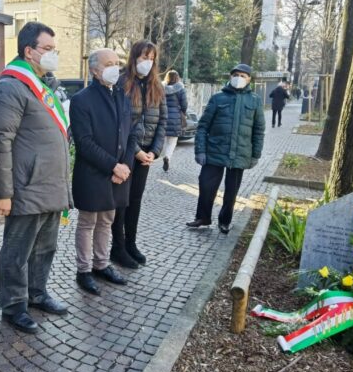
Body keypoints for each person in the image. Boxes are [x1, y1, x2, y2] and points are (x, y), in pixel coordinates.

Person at [0, 22, 71, 334]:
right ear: (29, 51)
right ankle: (14, 305)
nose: (53, 55)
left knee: (45, 248)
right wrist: (4, 192)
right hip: (26, 187)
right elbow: (0, 141)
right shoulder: (12, 87)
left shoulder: (44, 86)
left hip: (51, 185)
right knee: (17, 252)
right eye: (48, 49)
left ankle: (37, 293)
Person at [70, 48, 138, 295]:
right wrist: (113, 165)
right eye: (109, 63)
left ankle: (101, 264)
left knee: (107, 221)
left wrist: (125, 166)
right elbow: (85, 142)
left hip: (118, 173)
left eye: (117, 62)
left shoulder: (122, 96)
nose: (115, 67)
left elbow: (132, 135)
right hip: (93, 172)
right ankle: (84, 270)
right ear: (95, 70)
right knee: (88, 222)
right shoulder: (82, 100)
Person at [186, 63, 265, 233]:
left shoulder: (255, 101)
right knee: (206, 186)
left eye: (243, 76)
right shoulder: (218, 98)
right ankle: (203, 217)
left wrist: (255, 155)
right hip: (214, 151)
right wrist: (200, 150)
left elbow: (259, 130)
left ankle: (225, 221)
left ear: (249, 79)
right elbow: (203, 126)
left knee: (231, 191)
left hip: (240, 153)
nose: (239, 78)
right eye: (236, 74)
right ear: (230, 77)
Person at [110, 40, 167, 269]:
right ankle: (118, 247)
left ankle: (131, 244)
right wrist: (136, 152)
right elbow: (120, 123)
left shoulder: (157, 86)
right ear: (134, 58)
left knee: (135, 201)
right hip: (126, 153)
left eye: (151, 58)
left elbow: (163, 121)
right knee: (121, 202)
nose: (147, 62)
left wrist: (154, 151)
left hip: (146, 155)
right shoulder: (122, 83)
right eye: (144, 57)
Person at [162, 69, 188, 172]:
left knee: (162, 138)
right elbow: (184, 104)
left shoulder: (161, 87)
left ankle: (162, 155)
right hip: (175, 117)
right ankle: (167, 157)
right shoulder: (180, 88)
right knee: (172, 141)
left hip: (163, 116)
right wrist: (183, 112)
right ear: (177, 78)